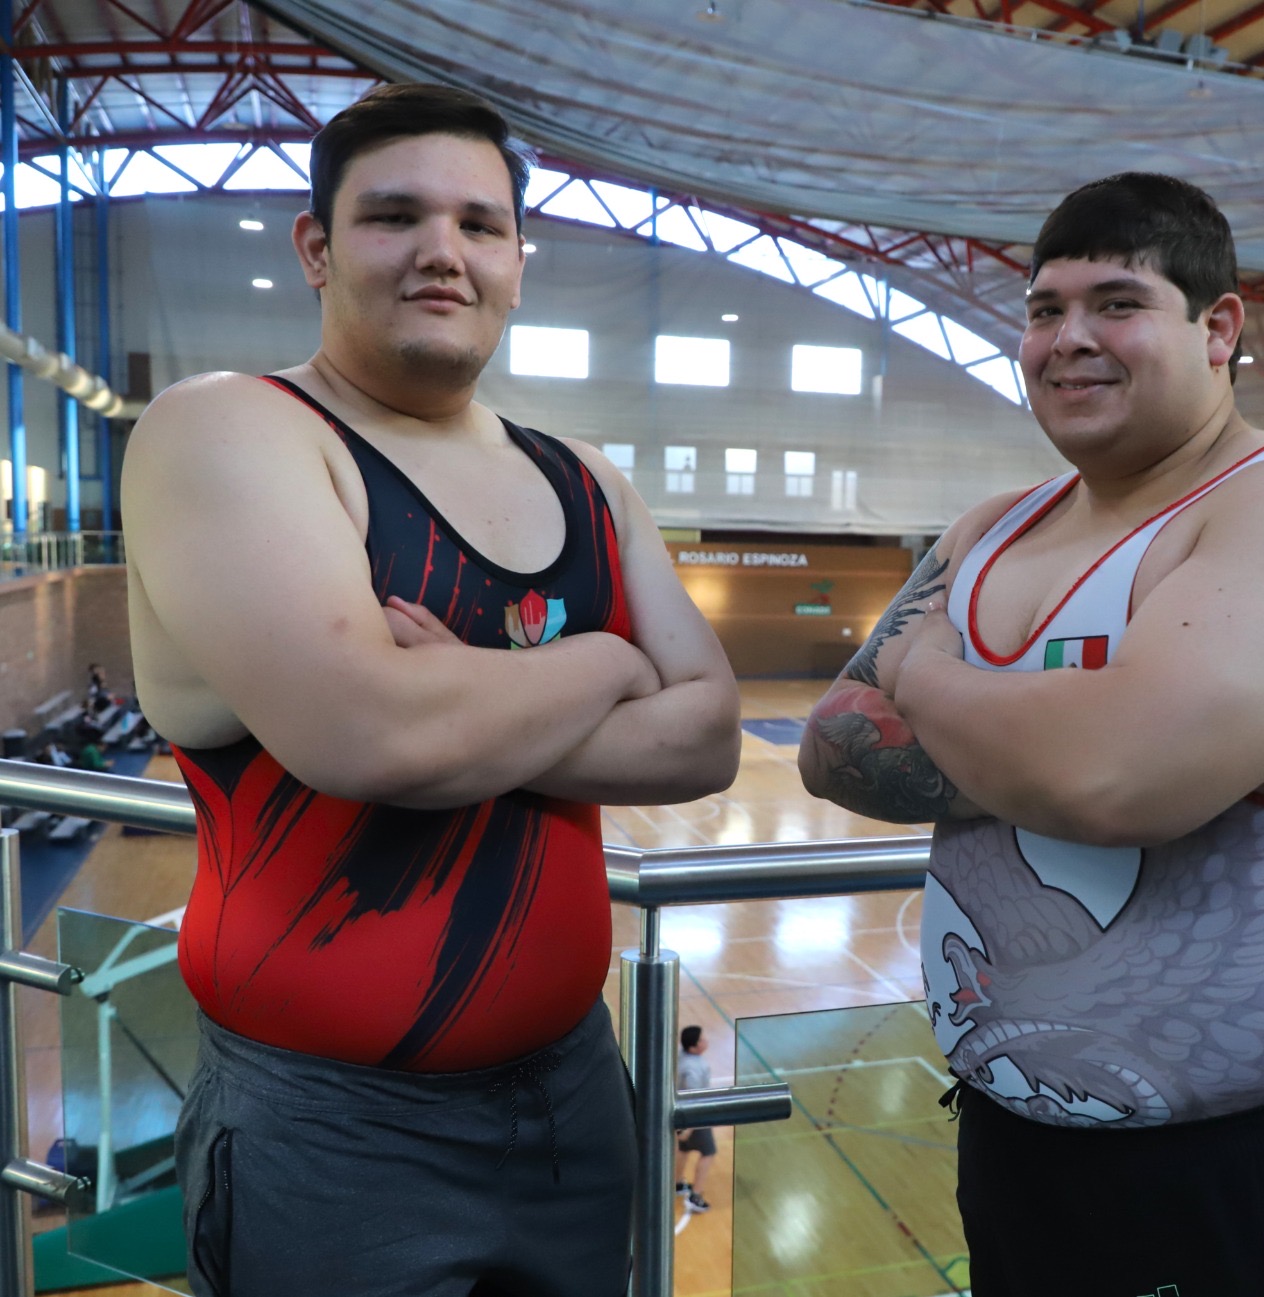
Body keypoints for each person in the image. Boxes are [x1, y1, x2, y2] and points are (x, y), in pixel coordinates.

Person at [122, 83, 741, 1297]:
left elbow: (707, 735)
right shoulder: (234, 432)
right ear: (316, 246)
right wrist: (612, 663)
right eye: (392, 216)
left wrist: (472, 693)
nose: (441, 253)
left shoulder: (585, 481)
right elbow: (375, 739)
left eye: (478, 224)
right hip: (332, 1132)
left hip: (572, 1094)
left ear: (519, 259)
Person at [799, 173, 1264, 1297]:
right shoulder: (994, 526)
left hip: (1214, 1169)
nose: (1067, 339)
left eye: (1117, 302)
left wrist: (920, 666)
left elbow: (1108, 777)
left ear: (1218, 327)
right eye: (1044, 310)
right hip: (1008, 1137)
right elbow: (835, 750)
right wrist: (1060, 733)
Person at [674, 1024, 716, 1214]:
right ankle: (695, 1196)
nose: (705, 1041)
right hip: (696, 1117)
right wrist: (690, 1126)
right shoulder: (694, 1069)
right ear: (693, 1047)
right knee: (708, 1153)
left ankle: (675, 1184)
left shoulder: (681, 1057)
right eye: (701, 1039)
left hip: (682, 1114)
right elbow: (694, 1096)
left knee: (684, 1149)